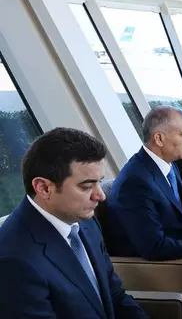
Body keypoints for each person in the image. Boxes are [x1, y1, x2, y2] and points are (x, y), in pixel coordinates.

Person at [0, 128, 148, 319]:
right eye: (86, 186)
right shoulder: (13, 260)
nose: (100, 195)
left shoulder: (85, 222)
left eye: (99, 183)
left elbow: (115, 295)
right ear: (44, 187)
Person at [107, 106, 182, 262]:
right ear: (159, 139)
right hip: (169, 267)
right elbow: (155, 246)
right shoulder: (134, 183)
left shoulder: (167, 163)